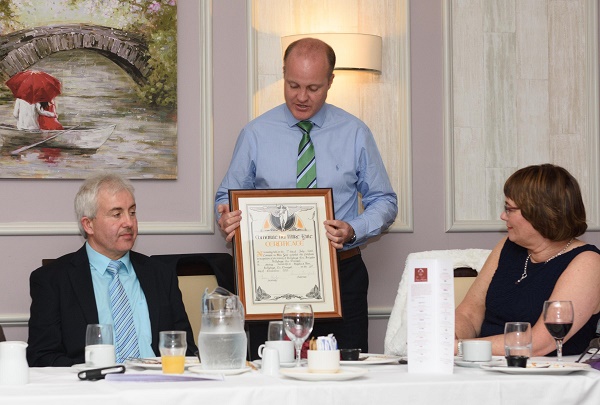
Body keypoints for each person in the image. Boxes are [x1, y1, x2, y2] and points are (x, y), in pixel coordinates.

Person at [215, 38, 398, 353]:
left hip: (342, 274)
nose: (301, 97)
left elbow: (384, 201)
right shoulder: (255, 134)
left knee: (343, 372)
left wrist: (354, 228)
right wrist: (225, 215)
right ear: (283, 74)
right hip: (271, 277)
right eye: (293, 85)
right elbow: (227, 197)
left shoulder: (355, 133)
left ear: (330, 81)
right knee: (273, 373)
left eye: (313, 88)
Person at [27, 173, 197, 367]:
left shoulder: (160, 274)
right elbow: (42, 357)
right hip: (92, 389)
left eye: (132, 212)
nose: (129, 223)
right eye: (117, 214)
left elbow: (186, 348)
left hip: (158, 387)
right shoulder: (52, 280)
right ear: (88, 224)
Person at [455, 164, 600, 357]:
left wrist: (459, 348)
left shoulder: (588, 263)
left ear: (540, 214)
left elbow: (539, 342)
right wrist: (451, 338)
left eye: (510, 209)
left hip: (546, 374)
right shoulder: (507, 246)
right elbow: (469, 313)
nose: (503, 216)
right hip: (483, 364)